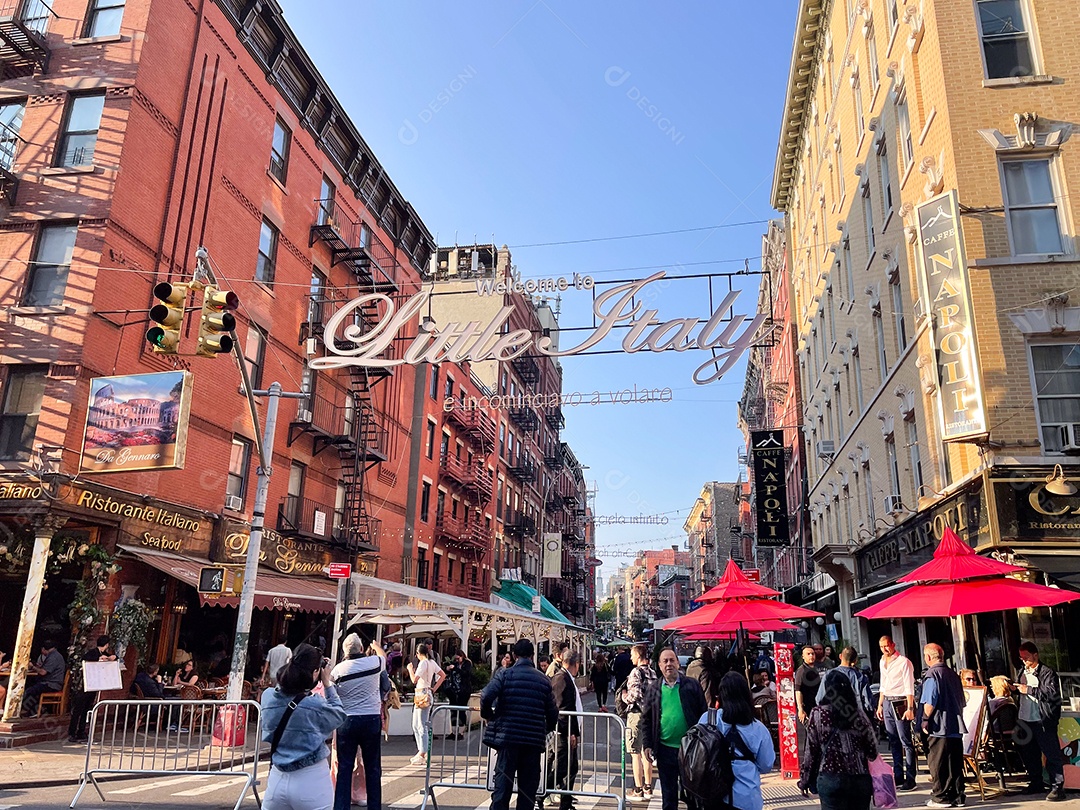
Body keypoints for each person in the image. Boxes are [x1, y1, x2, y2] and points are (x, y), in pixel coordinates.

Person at [260, 643, 346, 810]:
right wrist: (327, 683)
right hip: (311, 779)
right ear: (315, 673)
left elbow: (282, 690)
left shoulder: (268, 697)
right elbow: (339, 714)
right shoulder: (315, 704)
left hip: (277, 778)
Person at [480, 638, 559, 810]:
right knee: (527, 791)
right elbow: (553, 712)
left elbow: (485, 695)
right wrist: (546, 729)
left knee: (502, 788)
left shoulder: (505, 675)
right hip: (532, 742)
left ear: (515, 655)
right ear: (532, 656)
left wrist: (488, 716)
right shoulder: (543, 680)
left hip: (507, 739)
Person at [798, 669, 879, 810]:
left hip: (831, 778)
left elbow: (811, 751)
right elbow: (872, 750)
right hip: (859, 780)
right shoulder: (858, 715)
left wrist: (805, 780)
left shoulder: (818, 714)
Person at [641, 648, 708, 810]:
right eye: (665, 661)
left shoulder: (691, 685)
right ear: (659, 665)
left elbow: (703, 714)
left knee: (692, 794)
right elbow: (646, 719)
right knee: (669, 795)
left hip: (689, 750)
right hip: (665, 750)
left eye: (672, 660)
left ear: (678, 663)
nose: (669, 664)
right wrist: (647, 744)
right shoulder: (654, 689)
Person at [699, 671, 776, 810]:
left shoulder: (708, 719)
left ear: (721, 695)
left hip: (711, 796)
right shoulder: (758, 728)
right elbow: (766, 765)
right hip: (746, 798)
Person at [331, 634, 386, 810]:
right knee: (373, 767)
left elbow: (331, 691)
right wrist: (376, 645)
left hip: (347, 720)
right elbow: (383, 657)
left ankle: (341, 806)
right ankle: (374, 806)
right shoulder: (375, 662)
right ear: (361, 649)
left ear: (344, 651)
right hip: (370, 719)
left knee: (345, 767)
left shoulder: (338, 670)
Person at [1013, 641, 1066, 801]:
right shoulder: (1022, 671)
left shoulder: (1047, 672)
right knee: (1030, 753)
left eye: (1026, 657)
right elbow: (1022, 691)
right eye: (1022, 658)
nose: (1024, 661)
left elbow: (1051, 694)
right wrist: (1014, 689)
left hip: (1042, 719)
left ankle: (1057, 787)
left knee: (1051, 754)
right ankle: (1036, 782)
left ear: (1035, 655)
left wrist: (1028, 689)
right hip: (1025, 718)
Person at [918, 644, 965, 809]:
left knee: (938, 763)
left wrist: (924, 719)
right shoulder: (953, 674)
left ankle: (940, 797)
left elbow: (930, 702)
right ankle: (958, 795)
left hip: (939, 726)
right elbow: (962, 701)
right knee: (955, 763)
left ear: (928, 657)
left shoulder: (932, 674)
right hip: (955, 724)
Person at [875, 635, 917, 792]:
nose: (884, 649)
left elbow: (909, 686)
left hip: (900, 701)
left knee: (905, 740)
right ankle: (898, 775)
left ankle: (911, 778)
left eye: (886, 646)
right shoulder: (882, 661)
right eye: (881, 647)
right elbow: (883, 685)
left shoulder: (904, 662)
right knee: (893, 740)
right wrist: (880, 704)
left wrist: (910, 707)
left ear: (893, 644)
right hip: (887, 701)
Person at [549, 649, 583, 810]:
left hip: (568, 730)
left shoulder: (566, 677)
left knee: (571, 768)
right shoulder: (561, 678)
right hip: (563, 731)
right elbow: (562, 708)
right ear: (576, 664)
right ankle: (539, 794)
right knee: (562, 768)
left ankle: (566, 801)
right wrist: (570, 732)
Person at [622, 644, 657, 802]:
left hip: (636, 715)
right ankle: (648, 787)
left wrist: (624, 697)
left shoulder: (635, 672)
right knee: (646, 752)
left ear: (638, 656)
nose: (631, 658)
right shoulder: (653, 672)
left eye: (632, 655)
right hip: (650, 715)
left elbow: (634, 694)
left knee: (635, 753)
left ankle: (638, 789)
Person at [67, 634, 116, 741]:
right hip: (84, 685)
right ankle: (72, 732)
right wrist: (99, 659)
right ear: (106, 645)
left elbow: (113, 658)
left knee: (86, 709)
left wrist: (113, 657)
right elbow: (86, 660)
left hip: (94, 685)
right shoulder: (93, 653)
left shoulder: (104, 653)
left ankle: (81, 731)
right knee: (78, 710)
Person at [406, 643, 445, 765]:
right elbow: (442, 675)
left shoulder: (423, 663)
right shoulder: (432, 663)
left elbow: (414, 680)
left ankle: (422, 752)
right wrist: (434, 688)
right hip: (427, 692)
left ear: (418, 654)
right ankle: (422, 751)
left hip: (421, 693)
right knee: (419, 724)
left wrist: (410, 670)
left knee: (419, 724)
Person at [816, 646, 873, 714]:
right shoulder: (860, 677)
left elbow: (819, 699)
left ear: (840, 656)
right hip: (855, 715)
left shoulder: (829, 675)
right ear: (855, 660)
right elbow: (868, 702)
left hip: (834, 715)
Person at [22, 639, 65, 717]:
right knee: (29, 685)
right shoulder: (55, 655)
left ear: (43, 649)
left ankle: (34, 711)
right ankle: (32, 710)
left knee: (29, 691)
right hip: (50, 682)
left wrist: (32, 667)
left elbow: (43, 672)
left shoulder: (53, 657)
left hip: (52, 684)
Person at [794, 645, 820, 756]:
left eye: (812, 654)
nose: (811, 656)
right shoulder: (801, 671)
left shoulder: (814, 669)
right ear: (803, 656)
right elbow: (798, 690)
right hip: (808, 707)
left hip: (816, 706)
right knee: (811, 734)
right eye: (808, 654)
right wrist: (800, 708)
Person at [444, 649, 473, 739]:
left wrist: (455, 668)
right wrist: (448, 668)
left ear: (462, 656)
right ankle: (453, 731)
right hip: (454, 690)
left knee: (461, 711)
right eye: (456, 659)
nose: (457, 660)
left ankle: (461, 732)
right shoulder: (455, 664)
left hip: (464, 690)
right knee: (453, 711)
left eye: (458, 658)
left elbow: (466, 674)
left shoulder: (467, 664)